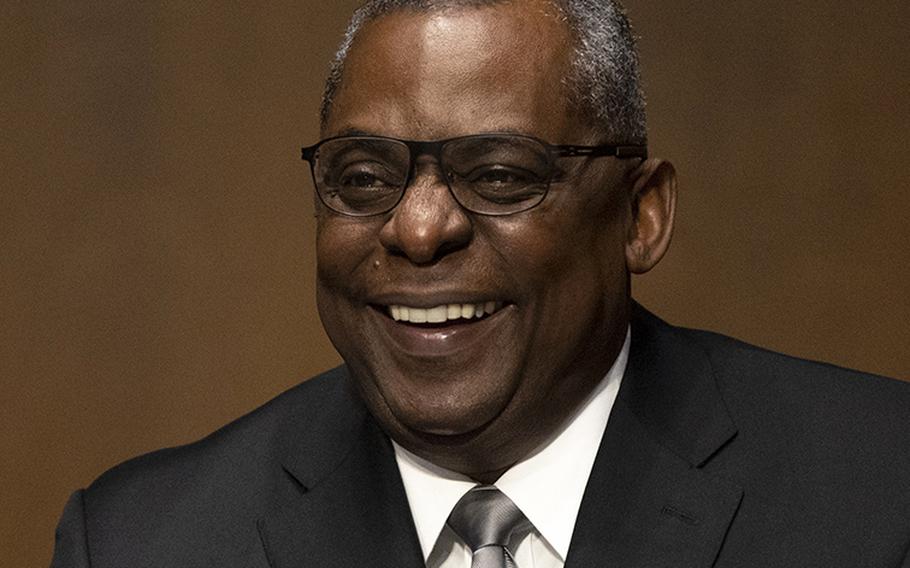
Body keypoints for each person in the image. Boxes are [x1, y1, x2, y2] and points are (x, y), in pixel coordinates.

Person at [51, 1, 910, 566]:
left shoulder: (880, 495)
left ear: (640, 216)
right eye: (362, 177)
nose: (418, 228)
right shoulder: (140, 542)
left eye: (500, 175)